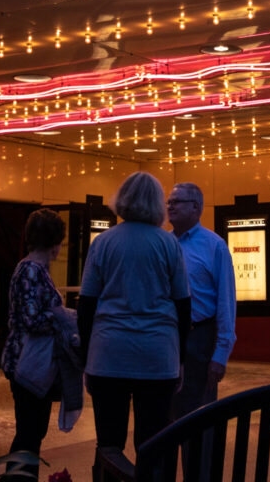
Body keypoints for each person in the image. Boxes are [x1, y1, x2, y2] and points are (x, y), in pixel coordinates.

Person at [78, 172, 190, 465]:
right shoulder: (168, 245)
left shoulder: (102, 243)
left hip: (109, 353)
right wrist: (180, 358)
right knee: (153, 442)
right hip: (157, 354)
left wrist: (86, 358)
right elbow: (183, 303)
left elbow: (87, 304)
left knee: (109, 443)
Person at [1, 209, 80, 472]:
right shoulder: (32, 270)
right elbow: (32, 320)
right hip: (28, 364)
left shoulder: (30, 268)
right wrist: (65, 317)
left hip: (25, 362)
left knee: (30, 434)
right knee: (29, 435)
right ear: (54, 241)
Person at [166, 182, 236, 421]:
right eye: (169, 202)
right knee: (165, 418)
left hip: (200, 341)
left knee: (198, 421)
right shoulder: (162, 243)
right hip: (165, 340)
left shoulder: (214, 245)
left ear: (196, 207)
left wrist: (220, 354)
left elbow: (226, 303)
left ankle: (199, 460)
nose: (170, 206)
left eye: (176, 202)